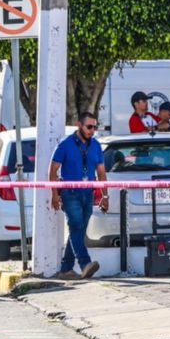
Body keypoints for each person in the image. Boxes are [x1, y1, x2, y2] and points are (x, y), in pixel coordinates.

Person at [49, 112, 107, 280]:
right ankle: (85, 263)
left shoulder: (95, 145)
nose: (92, 131)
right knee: (75, 226)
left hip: (88, 193)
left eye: (95, 127)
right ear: (79, 125)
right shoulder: (65, 144)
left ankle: (66, 268)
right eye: (89, 127)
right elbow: (52, 170)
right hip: (70, 192)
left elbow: (101, 172)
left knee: (79, 231)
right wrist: (54, 194)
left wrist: (105, 196)